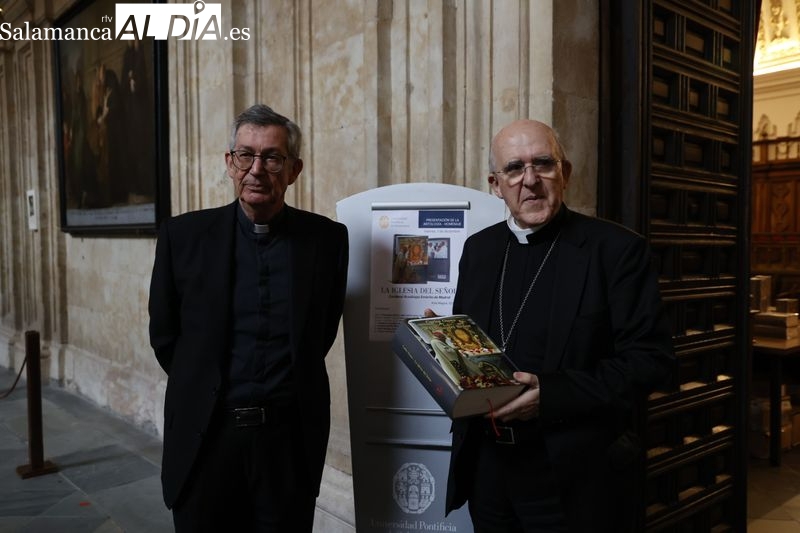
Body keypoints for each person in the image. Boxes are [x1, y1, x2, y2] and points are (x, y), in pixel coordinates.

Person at [437, 119, 675, 532]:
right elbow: (472, 351)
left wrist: (551, 395)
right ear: (496, 184)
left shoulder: (616, 251)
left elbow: (651, 362)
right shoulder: (479, 250)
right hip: (488, 470)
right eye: (514, 169)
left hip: (571, 478)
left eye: (542, 164)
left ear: (564, 173)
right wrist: (440, 342)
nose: (529, 181)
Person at [148, 104, 349, 532]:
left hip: (287, 443)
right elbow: (166, 338)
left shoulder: (327, 240)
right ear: (230, 163)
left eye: (272, 157)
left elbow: (319, 334)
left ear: (293, 170)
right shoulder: (182, 237)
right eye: (246, 155)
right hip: (208, 438)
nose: (257, 169)